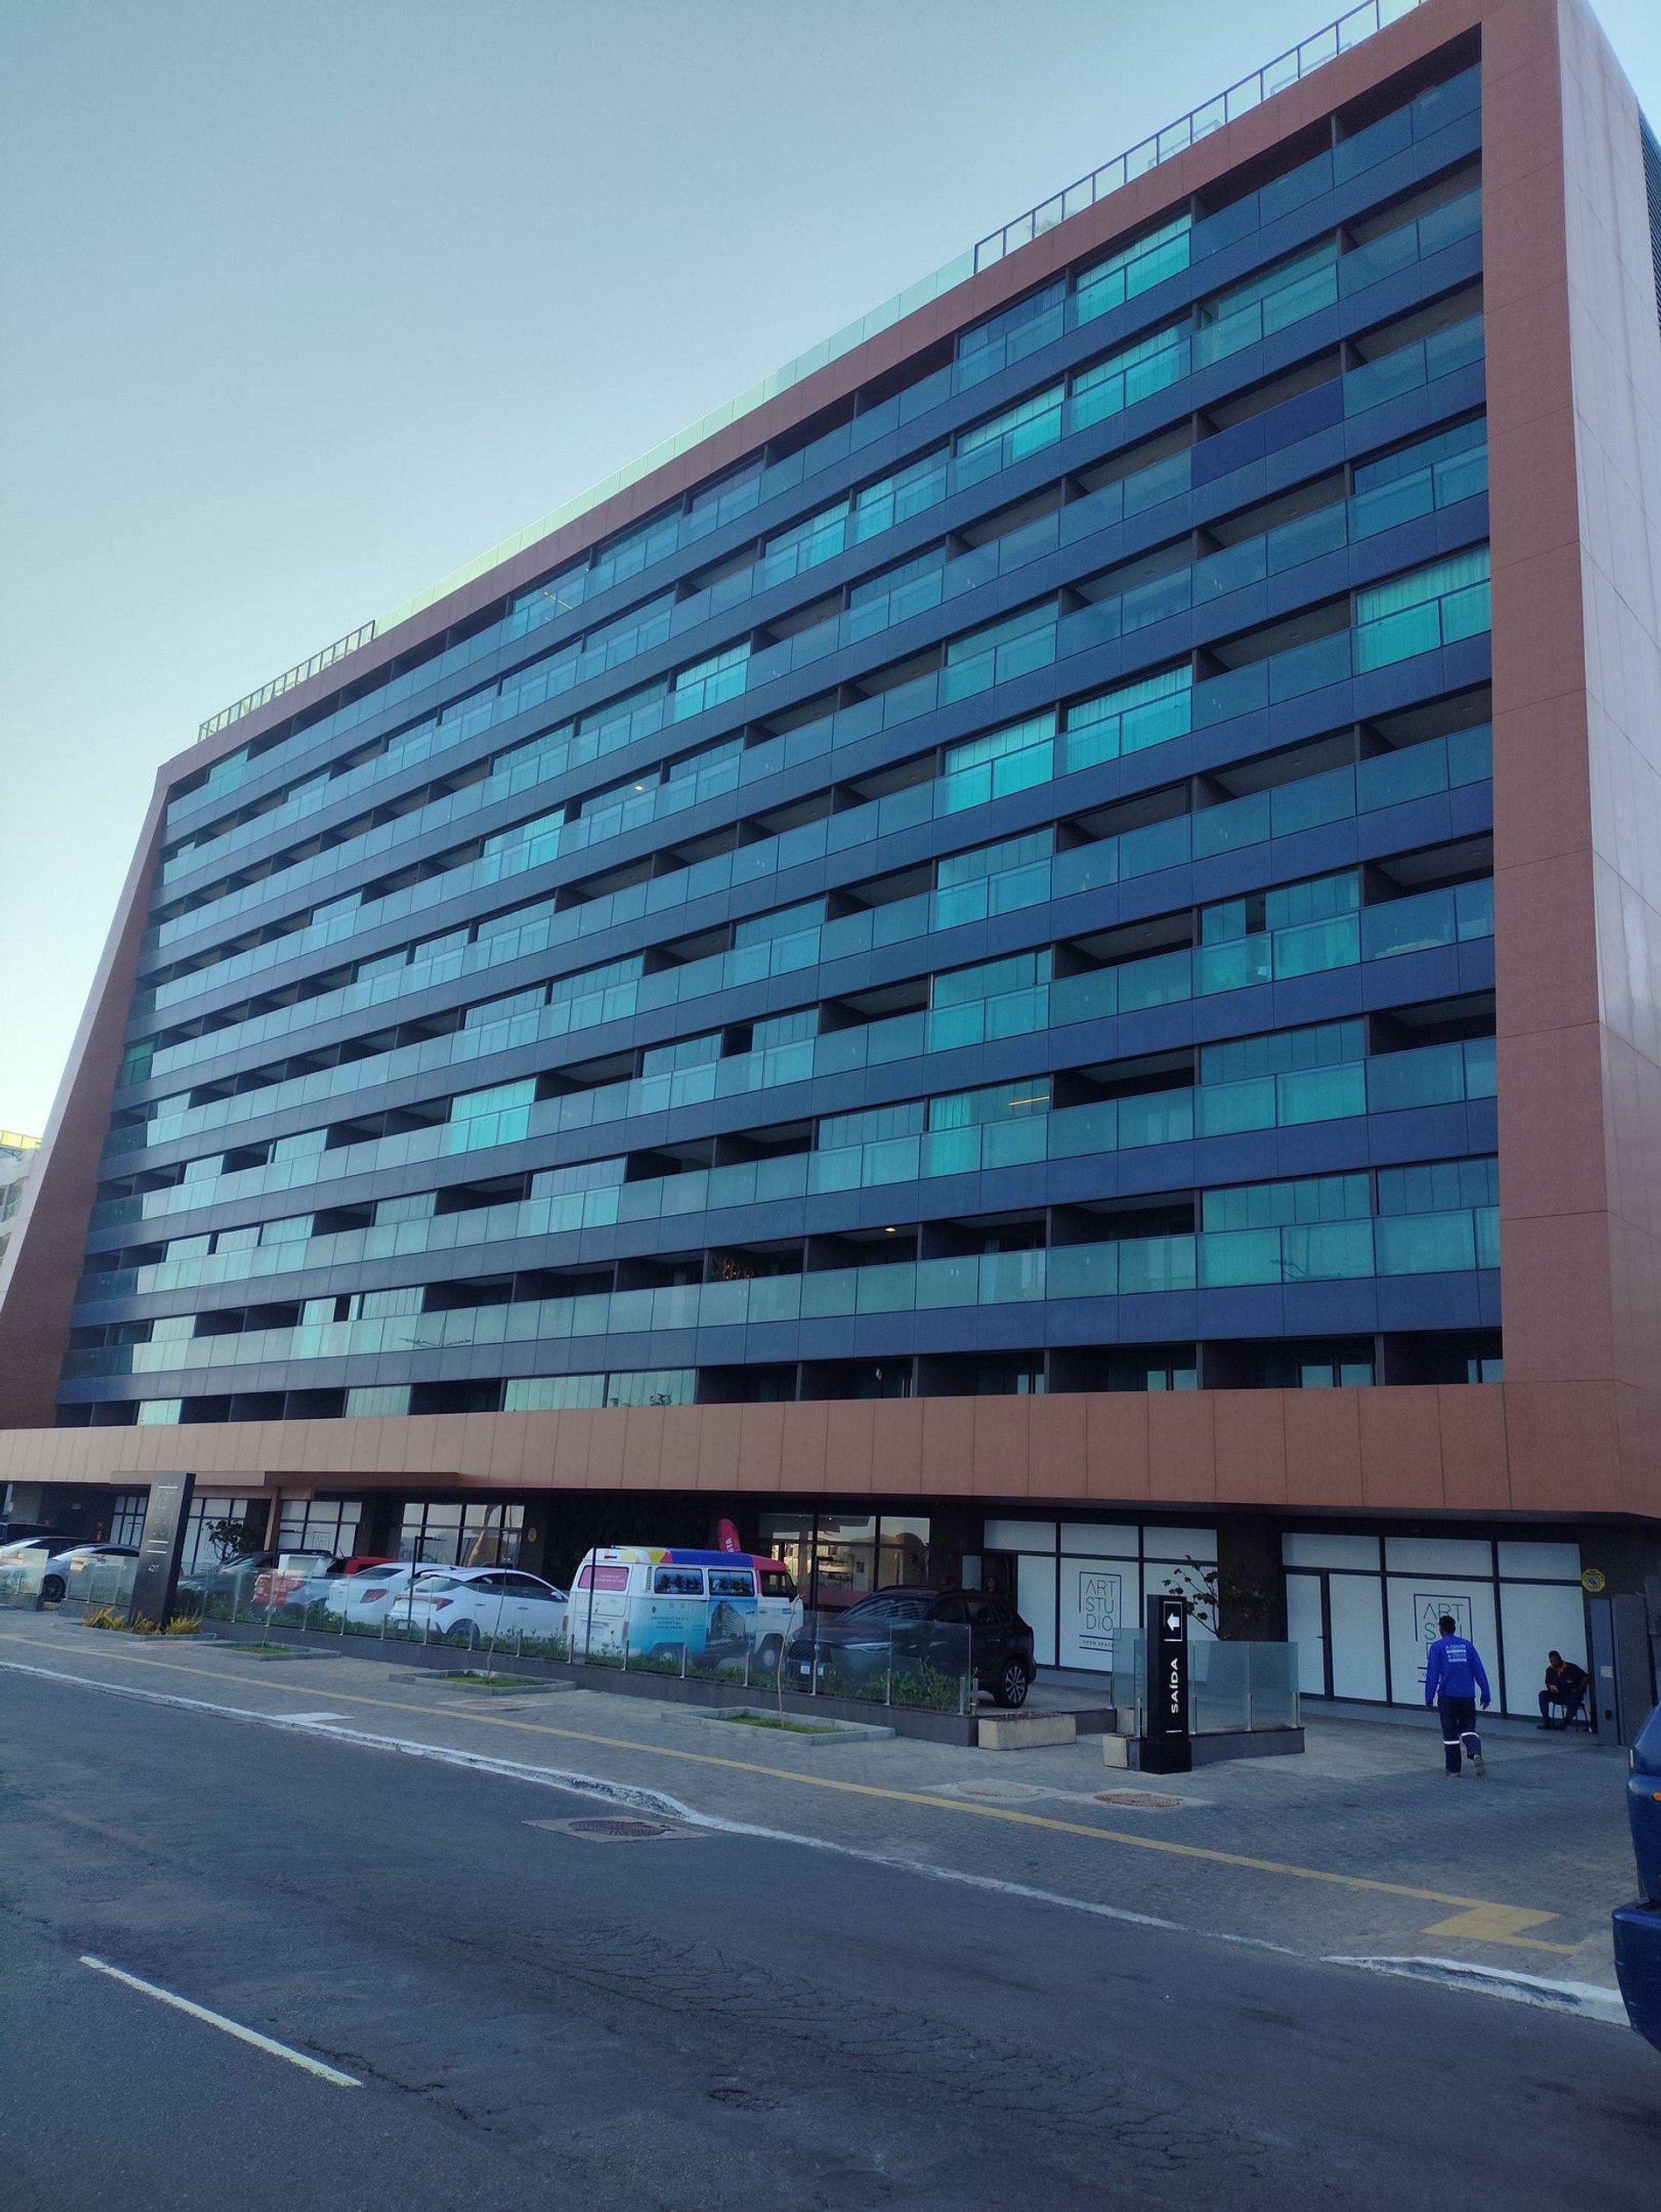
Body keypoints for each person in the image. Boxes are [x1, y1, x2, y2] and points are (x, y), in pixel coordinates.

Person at [1423, 1613, 1491, 1777]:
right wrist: (1485, 1694)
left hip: (1448, 1697)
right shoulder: (1467, 1646)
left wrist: (1429, 1697)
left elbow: (1433, 1674)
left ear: (1441, 1629)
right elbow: (1479, 1670)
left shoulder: (1437, 1647)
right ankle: (1475, 1753)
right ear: (1454, 1628)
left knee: (1450, 1734)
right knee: (1468, 1728)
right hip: (1467, 1696)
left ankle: (1454, 1770)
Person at [1538, 1650, 1589, 1729]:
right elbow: (1547, 1683)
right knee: (1542, 1695)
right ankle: (1547, 1721)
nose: (1554, 1663)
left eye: (1555, 1661)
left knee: (1573, 1696)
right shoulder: (1549, 1670)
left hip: (1572, 1695)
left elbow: (1586, 1677)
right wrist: (1550, 1688)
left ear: (1560, 1658)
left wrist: (1578, 1689)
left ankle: (1565, 1722)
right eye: (1552, 1661)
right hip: (1559, 1694)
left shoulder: (1571, 1667)